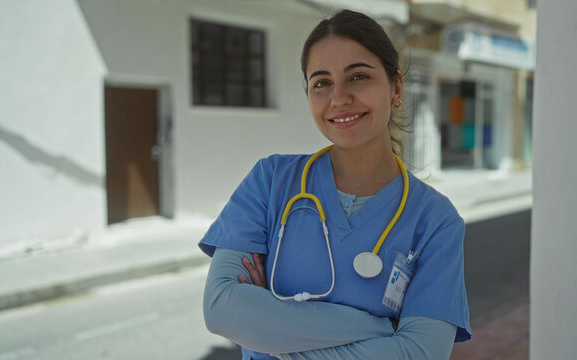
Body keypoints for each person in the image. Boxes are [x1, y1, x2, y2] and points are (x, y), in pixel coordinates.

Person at [199, 9, 471, 360]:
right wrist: (382, 329)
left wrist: (267, 333)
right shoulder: (270, 182)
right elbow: (221, 307)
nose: (339, 98)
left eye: (358, 77)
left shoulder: (435, 221)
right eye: (322, 82)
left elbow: (421, 353)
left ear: (396, 88)